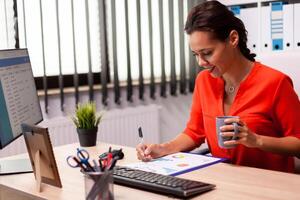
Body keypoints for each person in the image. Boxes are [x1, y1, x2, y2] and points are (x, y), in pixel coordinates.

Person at [136, 0, 300, 173]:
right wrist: (162, 149)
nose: (201, 62)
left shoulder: (275, 82)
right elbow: (194, 132)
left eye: (207, 53)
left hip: (268, 185)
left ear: (233, 39)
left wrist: (256, 140)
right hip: (222, 180)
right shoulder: (204, 81)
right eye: (196, 55)